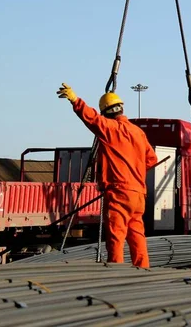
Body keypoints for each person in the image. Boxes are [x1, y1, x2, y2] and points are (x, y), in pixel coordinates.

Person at [57, 83, 157, 268]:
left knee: (116, 235)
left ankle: (116, 272)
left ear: (106, 112)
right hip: (138, 194)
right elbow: (151, 159)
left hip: (119, 192)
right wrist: (134, 171)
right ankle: (143, 271)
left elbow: (92, 119)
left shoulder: (110, 129)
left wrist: (74, 99)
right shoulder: (138, 132)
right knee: (137, 234)